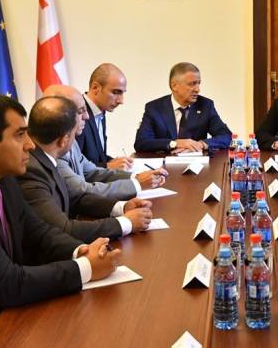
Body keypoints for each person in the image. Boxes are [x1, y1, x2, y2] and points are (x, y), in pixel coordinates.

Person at [0, 94, 119, 347]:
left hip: (3, 314)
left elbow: (36, 231)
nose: (30, 145)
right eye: (20, 135)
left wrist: (81, 250)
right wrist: (86, 268)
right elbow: (6, 283)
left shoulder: (0, 172)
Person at [18, 96, 154, 243]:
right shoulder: (32, 169)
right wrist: (126, 223)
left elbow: (73, 198)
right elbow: (63, 229)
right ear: (64, 140)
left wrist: (121, 207)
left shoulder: (44, 157)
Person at [46, 85, 168, 201]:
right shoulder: (53, 147)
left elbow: (92, 172)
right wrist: (137, 184)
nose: (87, 116)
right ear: (58, 114)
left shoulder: (71, 141)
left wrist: (136, 177)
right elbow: (82, 190)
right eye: (81, 111)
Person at [133, 62, 232, 153]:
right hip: (164, 163)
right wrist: (174, 143)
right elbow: (141, 142)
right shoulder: (154, 108)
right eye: (192, 84)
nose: (197, 89)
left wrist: (201, 144)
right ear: (174, 86)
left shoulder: (205, 105)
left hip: (197, 162)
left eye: (198, 83)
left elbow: (226, 136)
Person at [76, 63, 133, 169]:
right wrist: (108, 166)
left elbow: (98, 158)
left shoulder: (100, 111)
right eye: (116, 92)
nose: (121, 101)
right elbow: (73, 166)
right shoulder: (77, 114)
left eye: (122, 93)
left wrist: (116, 161)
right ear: (95, 88)